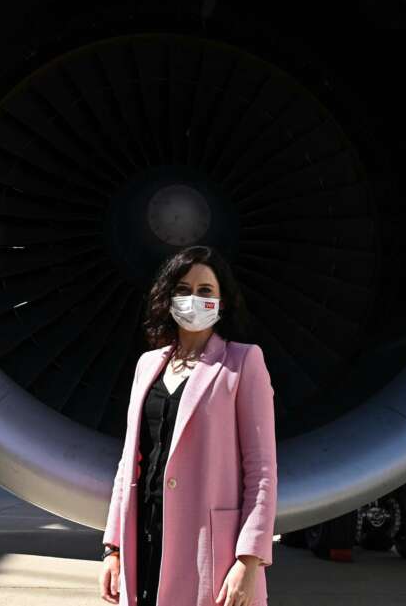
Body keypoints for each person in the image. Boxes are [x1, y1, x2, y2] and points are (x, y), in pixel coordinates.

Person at [99, 245, 278, 606]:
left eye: (204, 291)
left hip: (209, 552)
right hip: (144, 538)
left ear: (222, 302)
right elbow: (128, 465)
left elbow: (261, 471)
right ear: (167, 299)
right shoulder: (147, 366)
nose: (192, 299)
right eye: (182, 290)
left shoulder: (243, 362)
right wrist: (113, 548)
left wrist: (249, 559)